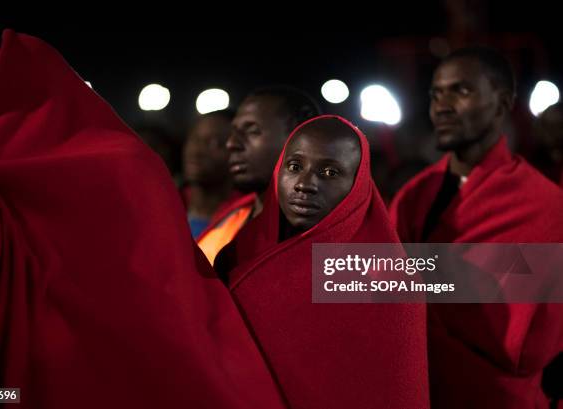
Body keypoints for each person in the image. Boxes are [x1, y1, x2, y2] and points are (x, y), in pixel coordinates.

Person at [0, 30, 284, 409]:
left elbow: (165, 302)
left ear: (32, 101)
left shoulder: (124, 165)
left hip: (117, 379)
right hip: (17, 383)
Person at [389, 46, 563, 408]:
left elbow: (535, 338)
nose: (443, 105)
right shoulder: (413, 196)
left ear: (502, 104)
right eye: (436, 93)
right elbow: (381, 290)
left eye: (461, 91)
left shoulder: (545, 204)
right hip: (422, 390)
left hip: (502, 396)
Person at [218, 115, 429, 409]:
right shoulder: (238, 252)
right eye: (294, 167)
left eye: (330, 172)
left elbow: (396, 394)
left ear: (358, 187)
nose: (305, 184)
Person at [197, 86, 320, 264]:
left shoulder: (334, 235)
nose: (231, 143)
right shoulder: (233, 217)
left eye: (252, 130)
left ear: (299, 137)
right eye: (234, 132)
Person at [181, 109, 237, 238]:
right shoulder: (167, 204)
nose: (196, 152)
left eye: (214, 143)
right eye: (194, 139)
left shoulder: (245, 215)